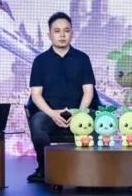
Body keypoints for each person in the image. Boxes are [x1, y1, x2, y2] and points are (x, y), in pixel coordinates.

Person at [26, 12, 97, 183]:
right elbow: (36, 95)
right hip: (50, 113)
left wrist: (79, 113)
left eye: (66, 30)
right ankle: (45, 168)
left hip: (78, 111)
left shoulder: (82, 58)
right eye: (57, 31)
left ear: (72, 33)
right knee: (37, 123)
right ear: (49, 34)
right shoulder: (40, 61)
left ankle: (90, 169)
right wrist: (52, 113)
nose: (62, 35)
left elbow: (88, 91)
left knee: (96, 122)